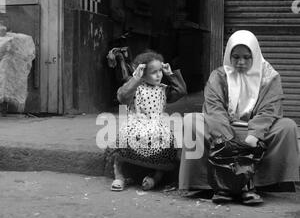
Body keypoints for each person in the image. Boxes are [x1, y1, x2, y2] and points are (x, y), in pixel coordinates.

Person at [179, 30, 299, 205]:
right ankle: (215, 184)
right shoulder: (219, 76)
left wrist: (254, 134)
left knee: (287, 126)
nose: (241, 62)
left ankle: (255, 183)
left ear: (255, 56)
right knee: (191, 122)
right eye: (235, 57)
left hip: (255, 133)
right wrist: (225, 137)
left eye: (246, 57)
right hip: (224, 133)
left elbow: (270, 108)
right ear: (229, 55)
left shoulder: (270, 77)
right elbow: (214, 108)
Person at [112, 50, 187, 192]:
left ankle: (155, 177)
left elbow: (181, 91)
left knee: (167, 145)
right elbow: (122, 97)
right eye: (154, 72)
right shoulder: (135, 88)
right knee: (122, 138)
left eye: (160, 71)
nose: (159, 75)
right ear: (143, 73)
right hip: (136, 126)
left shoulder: (163, 90)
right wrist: (136, 79)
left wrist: (170, 74)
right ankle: (119, 175)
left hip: (156, 128)